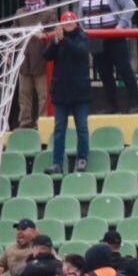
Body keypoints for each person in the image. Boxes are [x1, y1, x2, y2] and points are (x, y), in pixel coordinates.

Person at [77, 0, 138, 113]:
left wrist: (121, 25)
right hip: (95, 39)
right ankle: (112, 106)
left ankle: (136, 103)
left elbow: (130, 5)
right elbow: (80, 13)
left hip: (114, 36)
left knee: (124, 69)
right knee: (104, 73)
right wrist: (83, 31)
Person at [42, 10, 93, 175]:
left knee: (82, 128)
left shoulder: (83, 37)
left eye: (71, 21)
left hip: (80, 92)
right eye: (65, 21)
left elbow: (80, 53)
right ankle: (57, 163)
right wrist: (55, 42)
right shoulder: (58, 39)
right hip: (61, 92)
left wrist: (64, 41)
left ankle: (82, 158)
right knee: (59, 129)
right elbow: (46, 56)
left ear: (76, 23)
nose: (69, 24)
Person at [12, 0, 54, 129]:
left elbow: (55, 32)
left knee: (44, 95)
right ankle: (24, 122)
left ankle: (43, 122)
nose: (30, 2)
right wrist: (9, 52)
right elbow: (14, 34)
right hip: (24, 59)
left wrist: (45, 36)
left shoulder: (48, 13)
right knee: (24, 95)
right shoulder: (20, 13)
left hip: (42, 59)